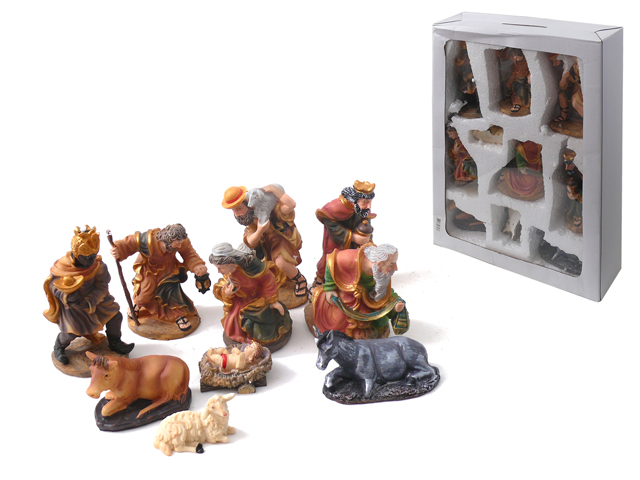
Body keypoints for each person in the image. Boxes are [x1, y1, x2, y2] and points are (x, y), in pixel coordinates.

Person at [44, 226, 134, 365]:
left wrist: (90, 301)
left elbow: (102, 286)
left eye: (94, 255)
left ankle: (115, 342)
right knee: (70, 332)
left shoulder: (98, 266)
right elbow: (53, 286)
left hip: (95, 301)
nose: (92, 260)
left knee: (115, 317)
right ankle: (59, 347)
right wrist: (67, 296)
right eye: (88, 257)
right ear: (77, 254)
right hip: (73, 307)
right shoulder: (63, 267)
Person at [110, 223, 209, 332]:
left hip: (169, 271)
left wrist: (197, 265)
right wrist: (118, 249)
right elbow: (130, 243)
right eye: (177, 243)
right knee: (143, 297)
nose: (179, 246)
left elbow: (189, 253)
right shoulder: (148, 240)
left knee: (173, 296)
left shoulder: (181, 242)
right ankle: (138, 304)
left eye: (180, 243)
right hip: (149, 272)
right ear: (168, 240)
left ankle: (178, 316)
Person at [222, 184, 307, 299]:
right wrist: (260, 230)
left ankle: (300, 280)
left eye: (239, 208)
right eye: (234, 210)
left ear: (249, 204)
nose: (237, 214)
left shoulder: (272, 210)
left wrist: (273, 189)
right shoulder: (251, 219)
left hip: (281, 239)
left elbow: (291, 205)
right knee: (259, 267)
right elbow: (250, 241)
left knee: (281, 262)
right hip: (265, 246)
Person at [310, 243, 409, 340]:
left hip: (369, 299)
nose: (395, 268)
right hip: (347, 297)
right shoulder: (349, 258)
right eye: (392, 264)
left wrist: (395, 303)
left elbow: (385, 291)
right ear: (379, 263)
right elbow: (332, 262)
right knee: (336, 323)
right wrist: (330, 288)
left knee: (379, 320)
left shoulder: (382, 273)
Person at [209, 243, 292, 348]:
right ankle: (245, 339)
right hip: (240, 301)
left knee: (264, 323)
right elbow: (222, 287)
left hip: (258, 299)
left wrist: (272, 300)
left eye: (222, 268)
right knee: (234, 321)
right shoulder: (228, 274)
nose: (219, 271)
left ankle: (257, 340)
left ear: (232, 263)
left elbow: (268, 279)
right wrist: (227, 293)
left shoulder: (252, 268)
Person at [314, 180, 376, 287]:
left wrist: (367, 240)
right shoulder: (336, 207)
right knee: (331, 259)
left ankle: (349, 280)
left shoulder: (362, 210)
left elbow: (367, 225)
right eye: (365, 202)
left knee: (354, 260)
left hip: (355, 243)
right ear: (354, 200)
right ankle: (323, 280)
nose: (369, 206)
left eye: (370, 202)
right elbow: (327, 218)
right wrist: (352, 237)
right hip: (337, 240)